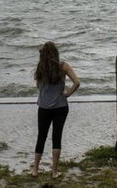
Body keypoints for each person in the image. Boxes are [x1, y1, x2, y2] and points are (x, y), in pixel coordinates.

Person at [32, 41, 80, 178]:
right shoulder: (63, 66)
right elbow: (77, 82)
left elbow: (39, 87)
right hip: (61, 107)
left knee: (41, 137)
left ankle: (35, 169)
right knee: (56, 138)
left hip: (44, 107)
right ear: (56, 53)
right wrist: (68, 93)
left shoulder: (40, 68)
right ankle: (54, 172)